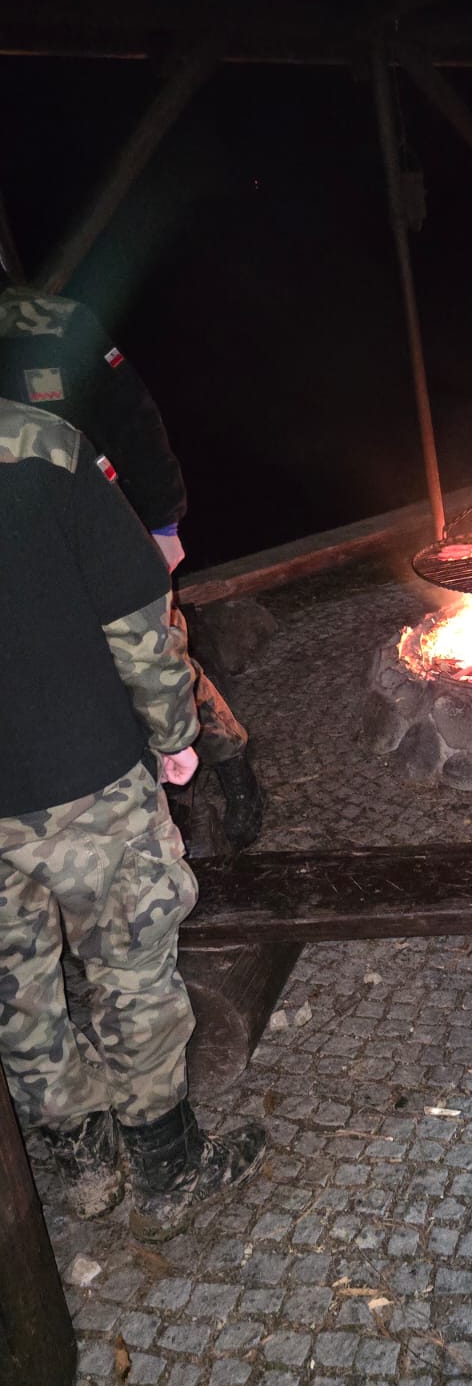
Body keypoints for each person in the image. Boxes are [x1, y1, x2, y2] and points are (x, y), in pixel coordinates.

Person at [0, 396, 265, 1240]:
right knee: (131, 967)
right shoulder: (36, 445)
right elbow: (137, 615)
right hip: (87, 776)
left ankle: (83, 1166)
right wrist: (176, 733)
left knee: (15, 990)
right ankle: (167, 1168)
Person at [0, 280, 263, 847]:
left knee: (158, 655)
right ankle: (162, 800)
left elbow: (133, 418)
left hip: (113, 529)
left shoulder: (54, 322)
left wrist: (164, 521)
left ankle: (231, 760)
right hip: (25, 555)